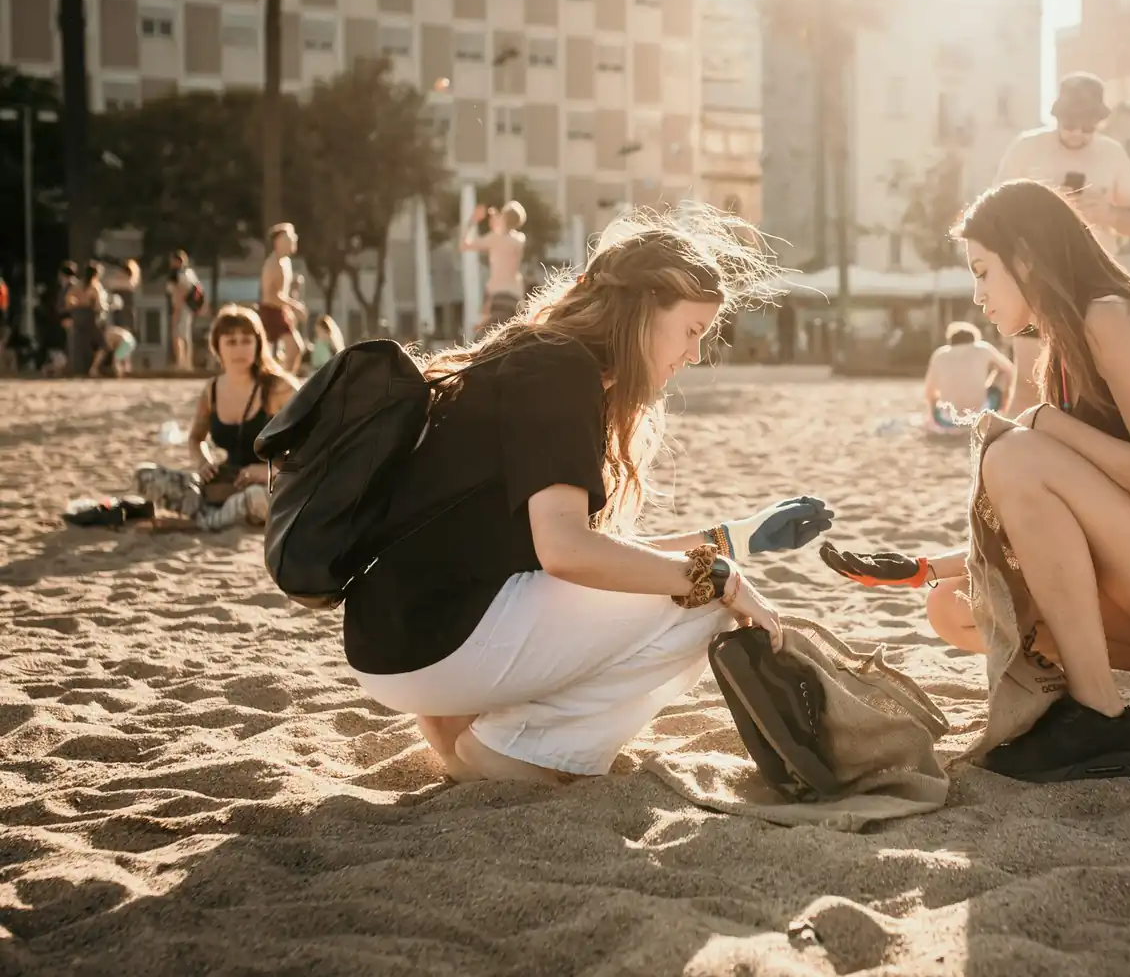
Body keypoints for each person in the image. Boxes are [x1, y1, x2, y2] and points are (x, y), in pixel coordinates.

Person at [341, 209, 836, 785]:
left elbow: (585, 557)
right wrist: (720, 578)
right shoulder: (561, 372)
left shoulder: (533, 355)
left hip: (395, 640)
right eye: (693, 330)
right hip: (433, 646)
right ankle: (516, 754)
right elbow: (569, 555)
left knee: (688, 579)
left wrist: (735, 540)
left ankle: (464, 741)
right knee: (704, 601)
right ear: (645, 310)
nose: (695, 355)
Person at [823, 181, 1130, 781]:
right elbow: (1057, 527)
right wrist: (921, 568)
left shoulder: (1111, 317)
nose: (978, 294)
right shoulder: (1060, 353)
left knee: (1015, 455)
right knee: (951, 609)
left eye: (985, 272)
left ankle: (1099, 715)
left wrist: (1047, 422)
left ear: (1026, 257)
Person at [994, 72, 1130, 413]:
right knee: (1028, 383)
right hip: (1036, 280)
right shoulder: (1027, 148)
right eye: (1070, 124)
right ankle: (1010, 459)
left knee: (1095, 382)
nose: (1078, 133)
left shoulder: (1111, 154)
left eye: (1088, 126)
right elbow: (994, 211)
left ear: (1100, 123)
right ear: (1056, 115)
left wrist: (1108, 212)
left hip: (1094, 282)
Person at [135, 306, 299, 531]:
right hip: (228, 483)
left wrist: (269, 472)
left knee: (256, 498)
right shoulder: (211, 391)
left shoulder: (279, 388)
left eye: (246, 341)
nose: (239, 349)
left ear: (258, 344)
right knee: (144, 475)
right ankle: (216, 514)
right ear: (217, 347)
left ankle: (196, 524)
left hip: (274, 487)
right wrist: (203, 462)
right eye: (231, 342)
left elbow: (319, 444)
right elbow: (195, 439)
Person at [923, 321, 1015, 430]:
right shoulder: (983, 348)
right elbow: (1010, 369)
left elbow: (929, 393)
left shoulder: (939, 354)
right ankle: (1004, 411)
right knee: (1003, 373)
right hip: (981, 415)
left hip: (947, 420)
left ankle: (932, 420)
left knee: (936, 397)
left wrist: (932, 413)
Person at [463, 201, 528, 333]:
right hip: (515, 296)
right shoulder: (520, 240)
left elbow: (464, 245)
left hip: (496, 296)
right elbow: (504, 233)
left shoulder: (494, 239)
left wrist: (472, 221)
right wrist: (500, 220)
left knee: (487, 336)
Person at [260, 223, 307, 375]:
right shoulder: (272, 264)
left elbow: (282, 290)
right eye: (289, 237)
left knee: (295, 349)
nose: (294, 240)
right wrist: (294, 306)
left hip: (281, 310)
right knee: (290, 349)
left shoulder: (286, 262)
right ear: (279, 241)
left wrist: (294, 287)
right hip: (270, 311)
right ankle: (281, 383)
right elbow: (271, 295)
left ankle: (284, 381)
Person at [68, 263, 108, 377]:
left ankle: (80, 370)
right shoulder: (95, 287)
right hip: (90, 317)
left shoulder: (77, 285)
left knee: (81, 344)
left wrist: (77, 303)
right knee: (102, 344)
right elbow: (99, 305)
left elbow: (69, 299)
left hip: (78, 316)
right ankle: (93, 369)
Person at [168, 250, 202, 372]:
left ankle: (181, 363)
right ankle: (187, 362)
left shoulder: (179, 275)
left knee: (178, 335)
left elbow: (180, 292)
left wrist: (176, 309)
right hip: (188, 308)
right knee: (185, 334)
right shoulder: (190, 273)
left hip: (181, 307)